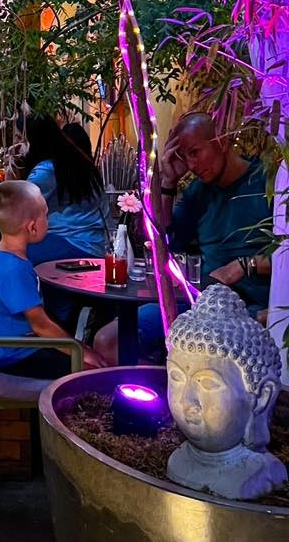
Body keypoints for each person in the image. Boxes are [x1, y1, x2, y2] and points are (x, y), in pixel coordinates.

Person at [93, 111, 272, 365]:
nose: (191, 164)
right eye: (184, 156)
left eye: (195, 152)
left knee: (211, 353)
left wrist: (245, 265)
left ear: (221, 141)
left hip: (255, 306)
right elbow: (164, 242)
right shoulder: (198, 192)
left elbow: (284, 254)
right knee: (108, 342)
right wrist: (168, 182)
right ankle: (170, 386)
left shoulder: (267, 183)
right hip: (201, 301)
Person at [0, 180, 103, 378]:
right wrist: (82, 352)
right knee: (94, 372)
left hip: (4, 348)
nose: (49, 219)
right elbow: (41, 325)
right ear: (33, 227)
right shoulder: (15, 269)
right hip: (12, 355)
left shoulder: (2, 257)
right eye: (46, 214)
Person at [17, 115, 109, 264]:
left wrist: (4, 187)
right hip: (95, 244)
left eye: (19, 138)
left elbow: (19, 205)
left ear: (31, 140)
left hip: (69, 243)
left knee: (12, 253)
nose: (16, 144)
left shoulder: (46, 171)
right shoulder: (78, 161)